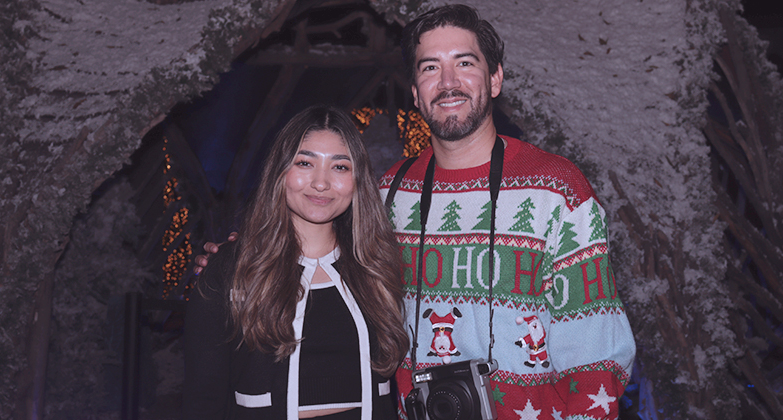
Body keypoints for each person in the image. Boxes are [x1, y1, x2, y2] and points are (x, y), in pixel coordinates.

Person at [196, 5, 636, 419]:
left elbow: (597, 349)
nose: (448, 81)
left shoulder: (555, 188)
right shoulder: (389, 193)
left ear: (495, 79)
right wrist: (239, 260)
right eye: (430, 68)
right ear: (416, 93)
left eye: (465, 63)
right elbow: (317, 246)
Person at [183, 105, 409, 420]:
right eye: (305, 163)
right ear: (280, 171)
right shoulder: (230, 270)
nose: (321, 183)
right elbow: (202, 399)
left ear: (358, 179)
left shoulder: (377, 266)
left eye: (340, 167)